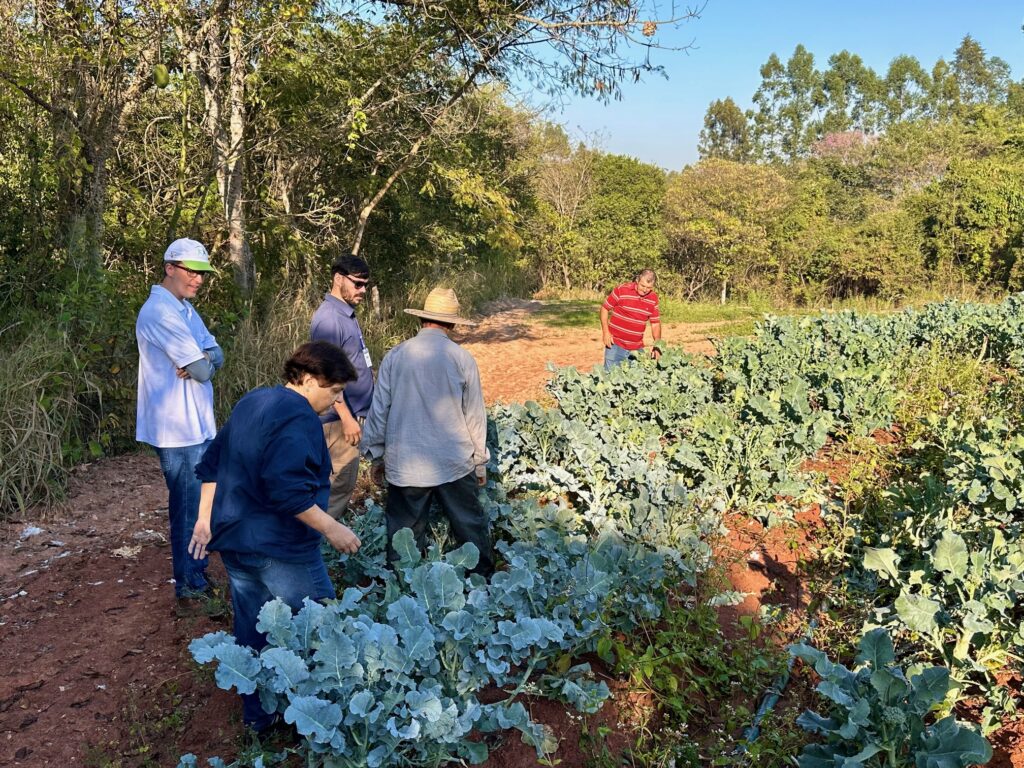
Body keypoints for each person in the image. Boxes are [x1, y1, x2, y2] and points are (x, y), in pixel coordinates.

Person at [188, 341, 362, 733]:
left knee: (253, 631)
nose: (337, 400)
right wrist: (333, 529)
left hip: (235, 542)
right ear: (310, 379)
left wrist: (203, 520)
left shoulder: (253, 401)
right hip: (281, 548)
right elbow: (288, 493)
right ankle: (321, 724)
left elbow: (211, 464)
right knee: (320, 632)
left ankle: (260, 717)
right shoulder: (300, 417)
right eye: (335, 391)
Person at [361, 287, 494, 576]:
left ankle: (401, 587)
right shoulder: (461, 358)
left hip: (406, 462)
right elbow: (474, 415)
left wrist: (376, 454)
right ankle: (484, 583)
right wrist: (480, 461)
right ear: (453, 324)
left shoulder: (396, 355)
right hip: (453, 460)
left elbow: (379, 409)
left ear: (422, 319)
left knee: (404, 537)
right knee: (469, 525)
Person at [135, 238, 223, 611]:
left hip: (196, 424)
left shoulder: (184, 308)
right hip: (177, 428)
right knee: (189, 508)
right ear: (169, 268)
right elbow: (203, 370)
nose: (198, 279)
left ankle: (196, 574)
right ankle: (190, 584)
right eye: (191, 271)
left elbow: (216, 355)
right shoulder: (160, 312)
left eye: (203, 273)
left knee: (200, 503)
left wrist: (204, 359)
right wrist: (204, 361)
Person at [310, 255, 375, 519]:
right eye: (357, 284)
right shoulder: (329, 319)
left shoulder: (346, 314)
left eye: (365, 285)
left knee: (340, 487)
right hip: (337, 421)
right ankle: (322, 540)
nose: (363, 290)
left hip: (348, 417)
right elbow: (325, 374)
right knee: (336, 488)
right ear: (338, 279)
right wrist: (347, 418)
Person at [600, 268, 662, 369]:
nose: (645, 290)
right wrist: (605, 332)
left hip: (636, 349)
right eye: (642, 286)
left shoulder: (653, 298)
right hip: (615, 345)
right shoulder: (621, 290)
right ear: (637, 280)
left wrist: (658, 345)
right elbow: (604, 308)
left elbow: (655, 323)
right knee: (610, 376)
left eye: (649, 287)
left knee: (637, 377)